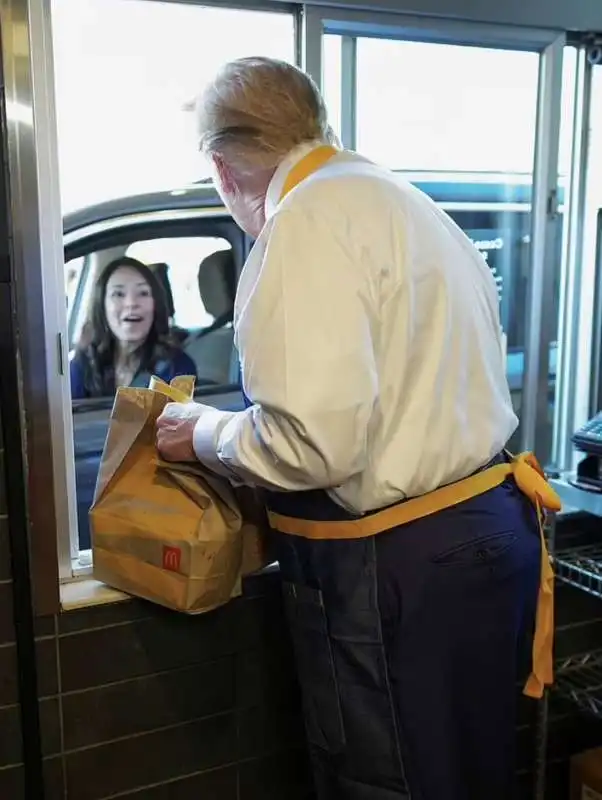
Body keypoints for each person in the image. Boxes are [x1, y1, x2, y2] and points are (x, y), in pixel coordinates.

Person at [156, 57, 558, 800]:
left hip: (401, 567)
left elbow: (313, 445)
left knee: (388, 783)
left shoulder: (302, 225)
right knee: (472, 776)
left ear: (220, 166)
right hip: (490, 532)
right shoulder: (403, 199)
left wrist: (204, 432)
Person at [70, 256, 196, 399]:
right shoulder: (83, 364)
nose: (131, 303)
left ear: (155, 304)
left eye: (143, 293)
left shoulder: (177, 367)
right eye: (118, 294)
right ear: (102, 306)